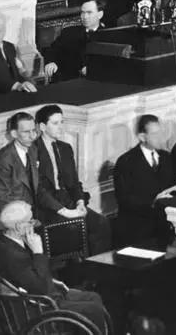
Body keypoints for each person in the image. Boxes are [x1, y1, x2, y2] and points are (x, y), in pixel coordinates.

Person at [0, 201, 107, 333]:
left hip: (37, 293)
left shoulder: (0, 238)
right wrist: (38, 252)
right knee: (93, 309)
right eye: (30, 221)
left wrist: (53, 281)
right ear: (18, 226)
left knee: (94, 297)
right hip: (37, 306)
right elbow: (41, 288)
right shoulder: (14, 256)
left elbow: (29, 276)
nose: (35, 223)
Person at [34, 104, 112, 254]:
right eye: (55, 123)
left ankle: (96, 264)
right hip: (48, 206)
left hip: (68, 200)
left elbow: (74, 182)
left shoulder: (65, 148)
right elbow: (39, 190)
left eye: (62, 122)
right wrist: (65, 212)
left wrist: (80, 202)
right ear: (42, 127)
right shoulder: (33, 150)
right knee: (75, 227)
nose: (61, 127)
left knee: (101, 224)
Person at [113, 114, 176, 245]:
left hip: (166, 223)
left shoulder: (166, 157)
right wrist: (152, 202)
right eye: (155, 134)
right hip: (137, 227)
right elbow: (124, 199)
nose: (160, 137)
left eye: (161, 132)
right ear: (142, 137)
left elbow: (173, 185)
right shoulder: (126, 161)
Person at [0, 112, 39, 239]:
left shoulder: (33, 150)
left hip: (27, 215)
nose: (32, 136)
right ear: (14, 134)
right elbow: (2, 198)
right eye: (26, 132)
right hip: (4, 221)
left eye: (34, 130)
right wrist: (26, 219)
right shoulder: (3, 159)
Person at [44, 0, 106, 82]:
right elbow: (52, 50)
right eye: (82, 12)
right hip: (69, 81)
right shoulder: (69, 32)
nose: (85, 17)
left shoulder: (110, 35)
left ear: (100, 14)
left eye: (89, 12)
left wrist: (93, 69)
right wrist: (51, 62)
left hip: (97, 82)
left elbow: (112, 64)